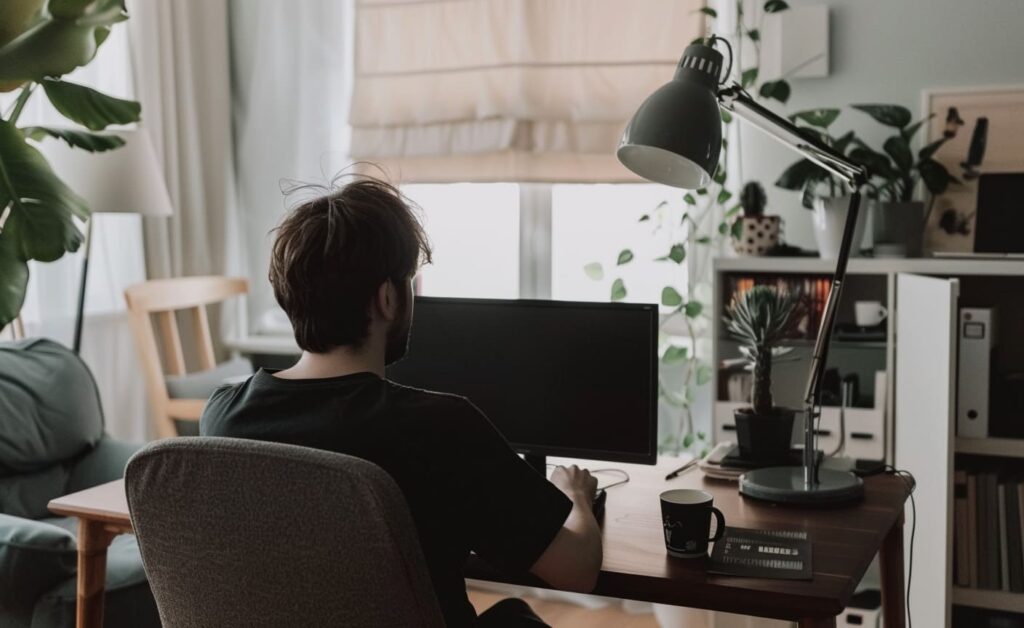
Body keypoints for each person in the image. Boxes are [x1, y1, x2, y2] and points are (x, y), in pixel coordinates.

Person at [201, 175, 603, 627]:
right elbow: (576, 570)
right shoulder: (439, 429)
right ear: (388, 298)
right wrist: (576, 497)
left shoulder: (223, 416)